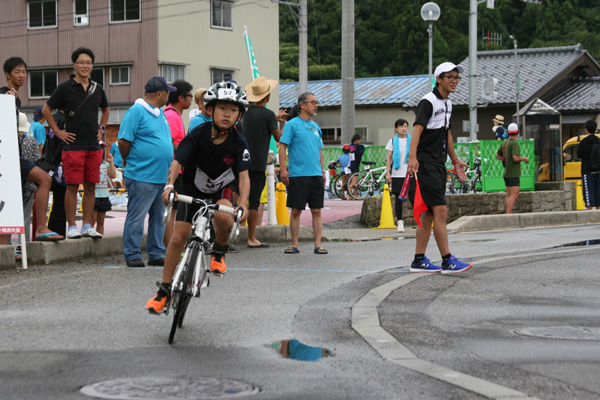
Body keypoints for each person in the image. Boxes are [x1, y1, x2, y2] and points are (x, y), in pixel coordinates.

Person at [145, 81, 250, 313]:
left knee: (223, 216)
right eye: (222, 108)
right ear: (210, 109)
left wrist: (242, 204)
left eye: (233, 110)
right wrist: (169, 186)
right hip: (192, 188)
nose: (227, 114)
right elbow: (177, 162)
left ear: (239, 115)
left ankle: (219, 252)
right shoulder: (197, 134)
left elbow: (244, 177)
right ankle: (164, 290)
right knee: (178, 238)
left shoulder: (239, 142)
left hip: (221, 189)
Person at [407, 62, 472, 274]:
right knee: (440, 211)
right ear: (438, 79)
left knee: (427, 214)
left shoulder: (448, 104)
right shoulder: (428, 101)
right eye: (450, 77)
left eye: (456, 77)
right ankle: (447, 260)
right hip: (425, 164)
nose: (454, 81)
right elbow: (417, 131)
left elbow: (447, 134)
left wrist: (455, 160)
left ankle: (419, 260)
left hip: (438, 164)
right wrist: (412, 158)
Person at [42, 47, 109, 240]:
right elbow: (46, 109)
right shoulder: (64, 88)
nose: (85, 66)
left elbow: (106, 109)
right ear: (74, 65)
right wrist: (57, 131)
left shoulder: (98, 88)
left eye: (88, 63)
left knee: (91, 186)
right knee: (72, 186)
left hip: (93, 146)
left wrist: (102, 129)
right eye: (81, 62)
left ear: (92, 65)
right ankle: (71, 226)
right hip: (72, 146)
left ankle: (87, 225)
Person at [0, 57, 64, 244]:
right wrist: (5, 102)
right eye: (17, 72)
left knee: (45, 179)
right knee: (7, 204)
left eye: (24, 72)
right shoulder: (3, 95)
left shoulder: (16, 98)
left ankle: (41, 228)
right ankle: (6, 251)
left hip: (15, 157)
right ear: (7, 74)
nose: (21, 75)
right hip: (4, 158)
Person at [117, 76, 175, 268]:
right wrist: (128, 159)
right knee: (137, 216)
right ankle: (132, 253)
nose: (169, 96)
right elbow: (123, 141)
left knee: (159, 217)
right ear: (159, 93)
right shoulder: (136, 111)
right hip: (141, 174)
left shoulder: (160, 113)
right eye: (167, 92)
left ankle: (156, 252)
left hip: (160, 176)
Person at [242, 76, 288, 248]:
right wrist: (284, 125)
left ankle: (232, 234)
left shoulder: (245, 113)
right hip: (258, 163)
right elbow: (278, 137)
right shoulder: (268, 115)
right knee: (254, 201)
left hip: (242, 163)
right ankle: (251, 237)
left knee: (238, 198)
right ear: (267, 96)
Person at [279, 92, 327, 255]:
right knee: (296, 210)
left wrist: (322, 171)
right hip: (298, 175)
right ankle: (294, 244)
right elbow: (283, 147)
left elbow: (320, 151)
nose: (316, 105)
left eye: (317, 102)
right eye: (312, 102)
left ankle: (318, 244)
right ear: (302, 105)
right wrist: (283, 169)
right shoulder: (292, 124)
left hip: (315, 174)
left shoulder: (316, 127)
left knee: (317, 211)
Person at [163, 79, 193, 248]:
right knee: (172, 210)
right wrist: (186, 153)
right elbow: (170, 142)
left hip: (175, 168)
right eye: (190, 96)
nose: (191, 100)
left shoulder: (173, 114)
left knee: (173, 210)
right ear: (181, 98)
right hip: (174, 169)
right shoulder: (172, 115)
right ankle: (170, 246)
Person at [386, 118, 413, 233]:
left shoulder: (412, 140)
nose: (404, 128)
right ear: (396, 129)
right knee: (398, 200)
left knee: (414, 198)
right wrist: (388, 173)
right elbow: (389, 158)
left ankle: (419, 221)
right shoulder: (392, 141)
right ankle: (400, 222)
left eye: (405, 126)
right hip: (397, 174)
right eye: (401, 126)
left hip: (410, 174)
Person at [496, 123, 529, 214]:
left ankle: (508, 213)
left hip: (506, 172)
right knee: (515, 194)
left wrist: (504, 159)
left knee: (509, 194)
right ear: (518, 132)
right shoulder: (514, 143)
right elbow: (515, 158)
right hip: (513, 173)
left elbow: (497, 155)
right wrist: (525, 158)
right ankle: (508, 214)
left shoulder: (505, 142)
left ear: (508, 132)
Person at [92, 141, 116, 235]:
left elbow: (113, 175)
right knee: (92, 220)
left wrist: (111, 162)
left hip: (103, 196)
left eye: (101, 149)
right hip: (93, 196)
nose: (100, 150)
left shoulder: (105, 164)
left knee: (101, 221)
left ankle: (100, 238)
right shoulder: (90, 164)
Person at [577, 119, 600, 210]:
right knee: (598, 195)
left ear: (586, 130)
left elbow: (579, 154)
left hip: (587, 171)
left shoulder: (583, 142)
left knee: (588, 195)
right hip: (598, 171)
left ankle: (589, 213)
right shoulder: (598, 141)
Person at [347, 134, 365, 199]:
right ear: (357, 140)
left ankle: (355, 195)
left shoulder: (351, 146)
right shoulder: (359, 147)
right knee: (354, 181)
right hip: (356, 165)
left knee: (355, 180)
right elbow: (361, 153)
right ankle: (349, 195)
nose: (360, 141)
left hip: (351, 164)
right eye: (359, 140)